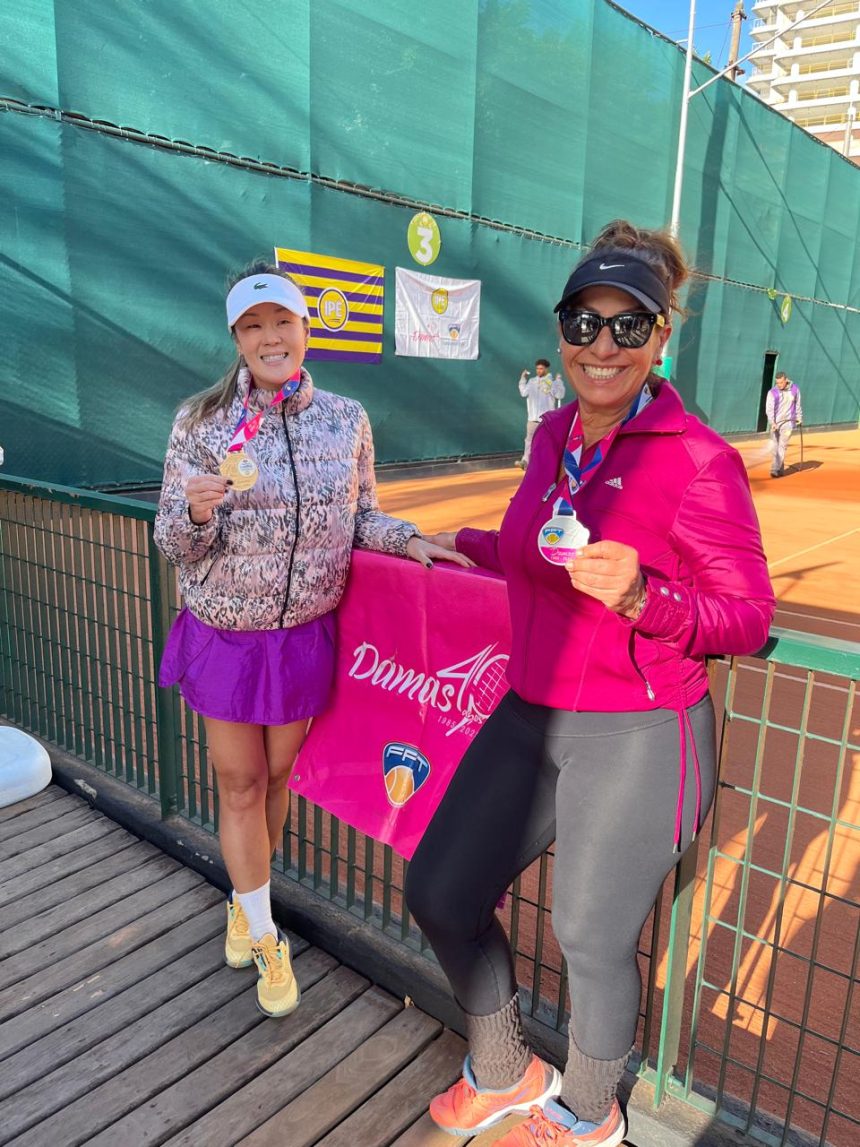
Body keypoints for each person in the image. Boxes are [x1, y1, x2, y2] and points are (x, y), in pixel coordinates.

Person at [406, 221, 775, 1146]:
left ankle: (588, 1112)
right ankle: (505, 1070)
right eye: (583, 322)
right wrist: (463, 544)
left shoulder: (698, 459)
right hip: (533, 713)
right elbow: (534, 542)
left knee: (590, 935)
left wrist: (647, 597)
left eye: (627, 325)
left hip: (642, 732)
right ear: (561, 330)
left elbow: (746, 615)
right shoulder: (554, 435)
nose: (600, 345)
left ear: (660, 337)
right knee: (441, 889)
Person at [154, 262, 468, 1019]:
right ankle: (265, 934)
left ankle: (245, 898)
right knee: (240, 783)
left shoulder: (346, 419)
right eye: (253, 326)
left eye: (282, 321)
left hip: (303, 635)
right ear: (236, 337)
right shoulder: (200, 422)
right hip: (228, 634)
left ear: (304, 329)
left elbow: (361, 516)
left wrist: (407, 539)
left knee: (277, 778)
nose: (271, 337)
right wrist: (195, 514)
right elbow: (173, 541)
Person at [517, 359, 566, 468]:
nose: (539, 370)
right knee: (529, 440)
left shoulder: (551, 382)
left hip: (546, 419)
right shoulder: (532, 381)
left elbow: (560, 395)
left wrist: (558, 381)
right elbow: (523, 392)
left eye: (541, 368)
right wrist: (523, 378)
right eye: (537, 368)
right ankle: (525, 461)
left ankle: (549, 463)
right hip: (532, 419)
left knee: (548, 442)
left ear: (546, 369)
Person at [766, 371, 802, 477]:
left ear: (786, 380)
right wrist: (772, 423)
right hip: (776, 424)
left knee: (782, 446)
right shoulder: (772, 393)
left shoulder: (795, 389)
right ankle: (780, 470)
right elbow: (769, 410)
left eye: (781, 382)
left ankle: (775, 469)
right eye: (777, 383)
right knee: (775, 447)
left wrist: (799, 418)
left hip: (788, 424)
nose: (779, 385)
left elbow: (798, 405)